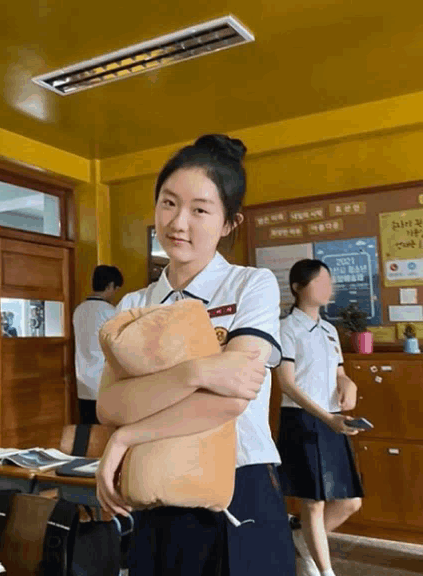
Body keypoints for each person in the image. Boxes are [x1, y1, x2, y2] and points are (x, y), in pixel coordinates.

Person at [95, 134, 296, 576]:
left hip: (240, 483)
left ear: (228, 223)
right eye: (168, 203)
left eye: (200, 209)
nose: (178, 222)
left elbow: (233, 397)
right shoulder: (133, 305)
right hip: (153, 485)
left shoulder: (250, 285)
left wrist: (129, 436)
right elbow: (110, 406)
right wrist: (198, 372)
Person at [275, 259, 364, 576]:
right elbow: (286, 383)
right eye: (320, 281)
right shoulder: (286, 328)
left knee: (351, 501)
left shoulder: (329, 329)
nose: (328, 288)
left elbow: (339, 371)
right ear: (299, 288)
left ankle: (301, 539)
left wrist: (347, 382)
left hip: (333, 421)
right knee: (312, 502)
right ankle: (323, 570)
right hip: (302, 420)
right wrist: (326, 417)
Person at [72, 265, 124, 425]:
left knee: (86, 428)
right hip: (104, 382)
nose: (115, 294)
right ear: (110, 285)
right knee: (106, 430)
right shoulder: (110, 312)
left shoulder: (79, 310)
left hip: (82, 380)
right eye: (116, 289)